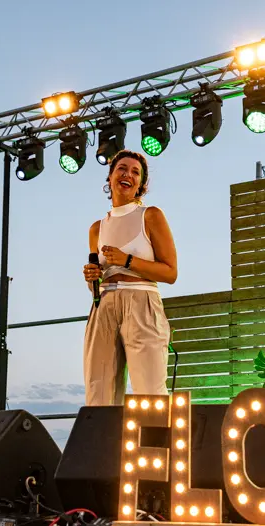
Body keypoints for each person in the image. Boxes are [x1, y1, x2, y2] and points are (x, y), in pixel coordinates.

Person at [82, 150, 178, 406]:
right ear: (110, 176)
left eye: (136, 172)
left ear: (141, 185)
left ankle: (154, 434)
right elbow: (96, 284)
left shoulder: (151, 215)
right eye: (122, 169)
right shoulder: (96, 228)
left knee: (150, 393)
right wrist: (92, 278)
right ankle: (103, 435)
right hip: (103, 306)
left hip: (141, 301)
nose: (128, 175)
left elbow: (170, 273)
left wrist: (127, 260)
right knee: (99, 394)